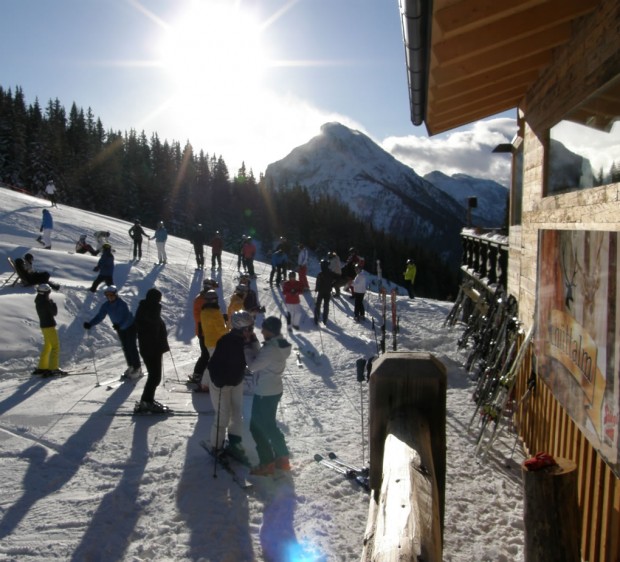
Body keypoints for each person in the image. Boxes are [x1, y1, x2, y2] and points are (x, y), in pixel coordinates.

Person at [245, 316, 292, 475]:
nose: (261, 331)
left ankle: (267, 463)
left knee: (257, 427)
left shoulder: (271, 349)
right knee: (270, 425)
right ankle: (282, 458)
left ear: (270, 331)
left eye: (264, 328)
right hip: (274, 389)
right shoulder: (279, 344)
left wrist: (247, 347)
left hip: (264, 392)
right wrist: (255, 343)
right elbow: (264, 356)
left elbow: (253, 366)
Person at [206, 310, 255, 463]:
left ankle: (234, 443)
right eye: (250, 329)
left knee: (237, 415)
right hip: (221, 384)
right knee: (223, 417)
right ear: (242, 329)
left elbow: (254, 359)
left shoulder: (247, 341)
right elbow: (212, 365)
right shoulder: (225, 341)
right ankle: (216, 446)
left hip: (236, 382)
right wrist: (218, 379)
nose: (252, 332)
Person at [83, 285, 142, 379]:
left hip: (130, 326)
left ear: (116, 295)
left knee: (131, 347)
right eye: (108, 295)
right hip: (120, 329)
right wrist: (90, 324)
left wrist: (120, 325)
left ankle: (137, 368)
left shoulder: (122, 303)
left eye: (111, 295)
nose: (110, 297)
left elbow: (127, 317)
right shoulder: (106, 306)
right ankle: (131, 366)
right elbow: (100, 316)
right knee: (126, 347)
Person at [133, 288, 171, 414]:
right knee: (155, 376)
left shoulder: (145, 309)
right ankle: (146, 401)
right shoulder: (151, 310)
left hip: (150, 348)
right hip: (151, 349)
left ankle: (148, 400)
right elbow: (152, 330)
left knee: (154, 376)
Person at [198, 290, 229, 392]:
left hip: (209, 340)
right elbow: (221, 329)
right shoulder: (214, 312)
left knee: (213, 362)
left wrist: (222, 318)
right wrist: (228, 326)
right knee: (214, 363)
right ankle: (205, 384)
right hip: (216, 341)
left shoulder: (204, 311)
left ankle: (206, 383)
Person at [189, 278, 219, 384]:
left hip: (210, 331)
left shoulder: (209, 296)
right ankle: (197, 374)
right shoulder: (200, 299)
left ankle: (205, 374)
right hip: (203, 331)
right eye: (212, 286)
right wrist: (210, 319)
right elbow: (197, 317)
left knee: (210, 354)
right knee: (206, 354)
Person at [33, 283, 64, 375]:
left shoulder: (38, 300)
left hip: (43, 326)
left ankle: (42, 367)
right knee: (55, 346)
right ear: (46, 292)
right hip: (49, 326)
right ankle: (53, 368)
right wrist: (53, 303)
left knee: (48, 346)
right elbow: (54, 312)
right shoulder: (46, 302)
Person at [314, 259, 334, 324]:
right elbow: (333, 282)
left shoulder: (320, 274)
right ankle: (325, 319)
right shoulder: (331, 273)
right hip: (328, 292)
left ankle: (316, 318)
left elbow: (318, 283)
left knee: (318, 304)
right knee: (326, 305)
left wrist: (316, 289)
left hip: (321, 292)